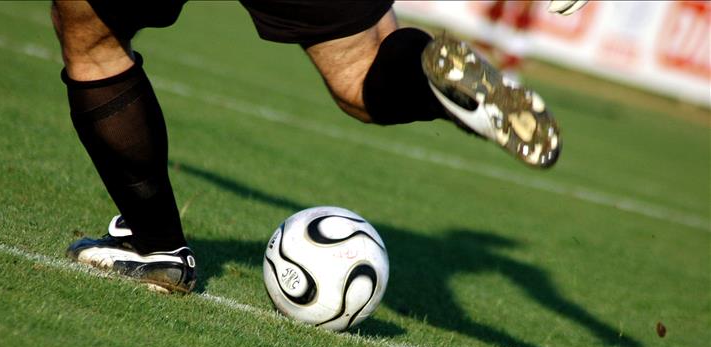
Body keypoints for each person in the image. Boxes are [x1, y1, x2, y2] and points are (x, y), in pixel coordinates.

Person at [51, 0, 584, 294]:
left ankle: (155, 244)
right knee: (362, 69)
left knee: (91, 39)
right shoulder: (499, 261)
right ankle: (430, 83)